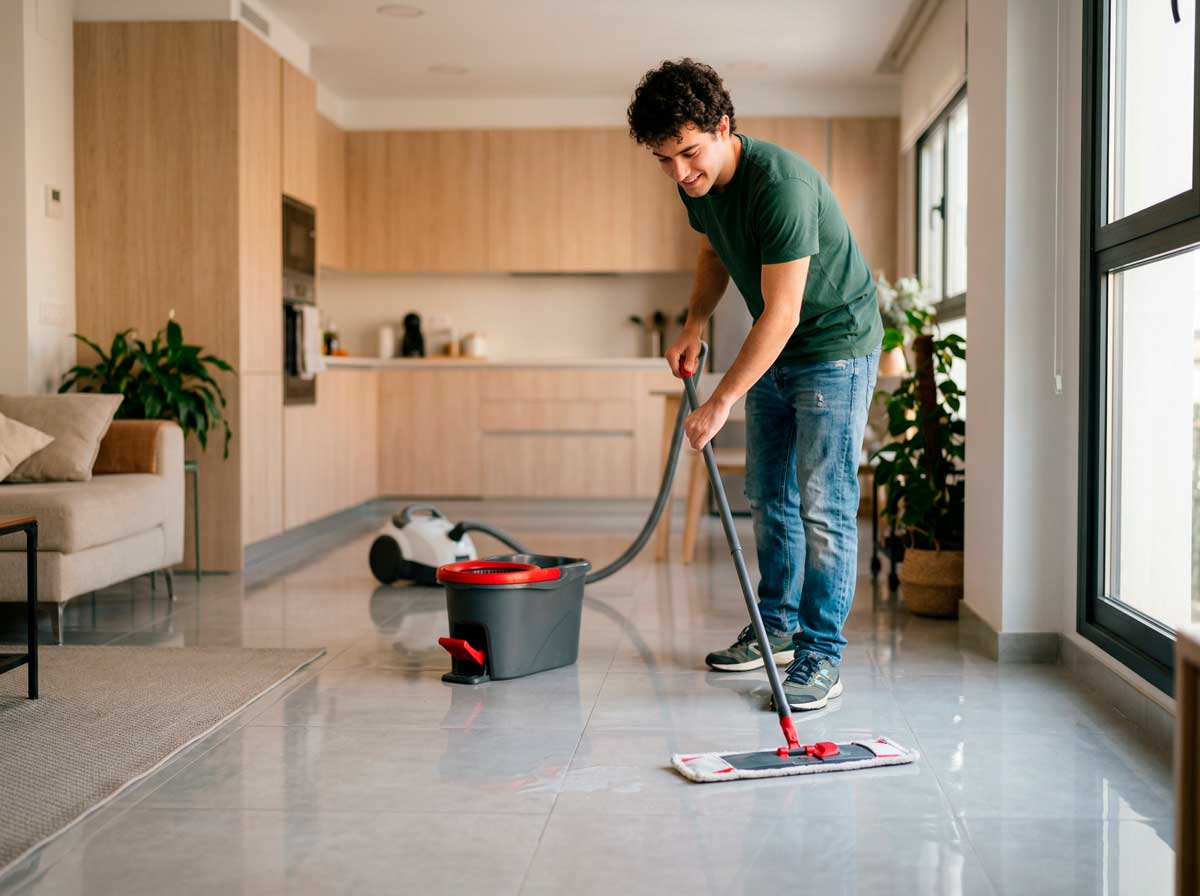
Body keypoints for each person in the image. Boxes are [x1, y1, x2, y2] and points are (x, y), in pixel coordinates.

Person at [627, 59, 882, 711]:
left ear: (723, 126)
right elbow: (713, 250)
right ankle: (777, 629)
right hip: (780, 344)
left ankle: (821, 654)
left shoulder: (782, 186)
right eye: (665, 160)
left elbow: (784, 312)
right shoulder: (697, 186)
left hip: (834, 343)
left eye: (688, 152)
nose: (681, 173)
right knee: (768, 492)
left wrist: (720, 400)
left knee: (823, 500)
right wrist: (693, 322)